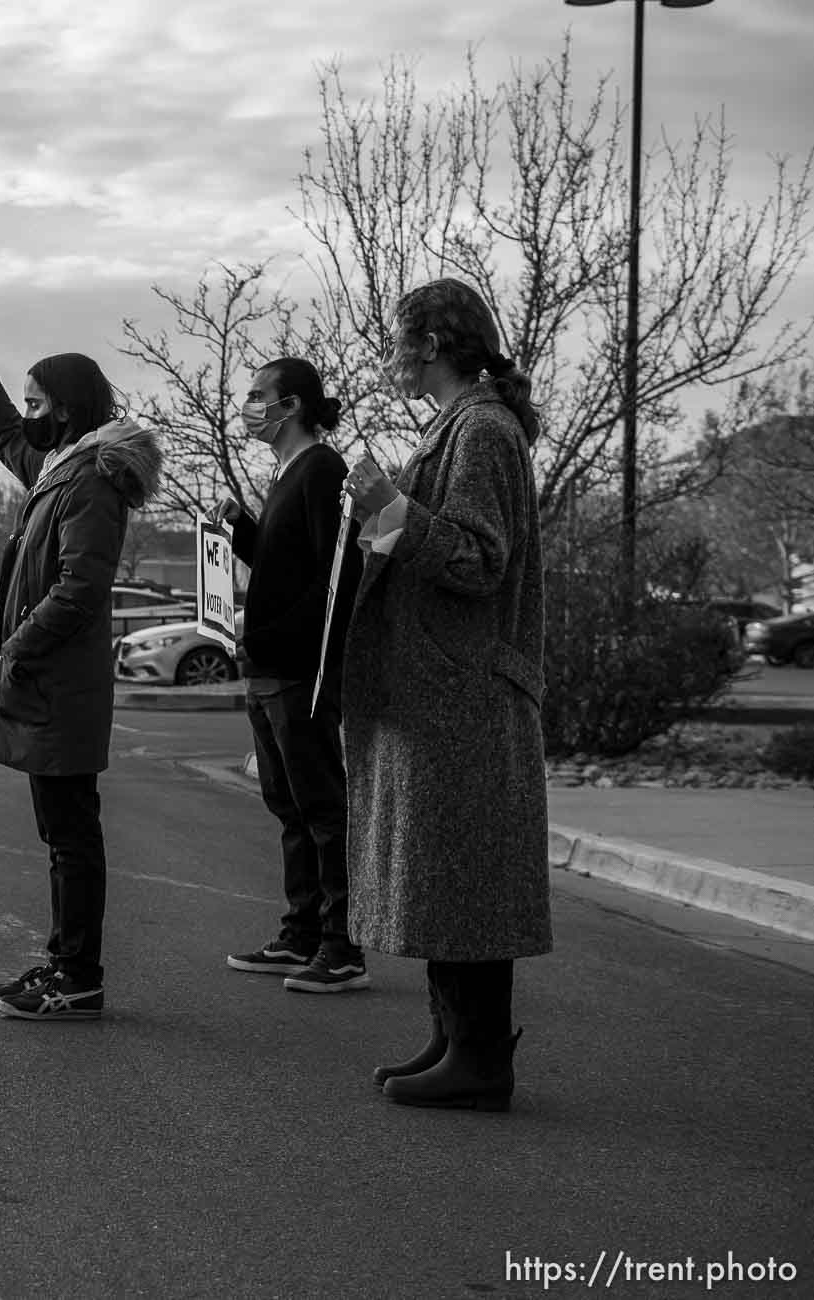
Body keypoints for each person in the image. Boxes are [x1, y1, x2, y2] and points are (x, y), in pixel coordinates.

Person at [339, 278, 550, 1111]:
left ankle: (481, 1062)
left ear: (428, 343)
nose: (389, 354)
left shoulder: (485, 430)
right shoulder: (458, 425)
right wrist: (380, 516)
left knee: (462, 879)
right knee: (442, 874)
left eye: (397, 338)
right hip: (442, 693)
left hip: (464, 697)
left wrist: (391, 506)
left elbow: (476, 560)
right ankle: (455, 1042)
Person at [0, 329, 162, 1021]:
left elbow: (81, 586)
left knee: (71, 837)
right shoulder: (56, 467)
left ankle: (76, 978)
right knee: (61, 836)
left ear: (65, 410)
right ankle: (66, 967)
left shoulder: (90, 481)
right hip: (50, 684)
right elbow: (3, 435)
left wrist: (18, 643)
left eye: (36, 401)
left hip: (59, 687)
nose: (27, 412)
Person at [216, 359, 368, 994]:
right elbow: (285, 566)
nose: (249, 406)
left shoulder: (323, 470)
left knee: (322, 807)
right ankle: (301, 931)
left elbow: (336, 579)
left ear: (294, 404)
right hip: (267, 669)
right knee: (288, 806)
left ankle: (343, 947)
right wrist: (242, 531)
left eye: (259, 396)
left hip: (300, 672)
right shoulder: (282, 474)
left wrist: (277, 637)